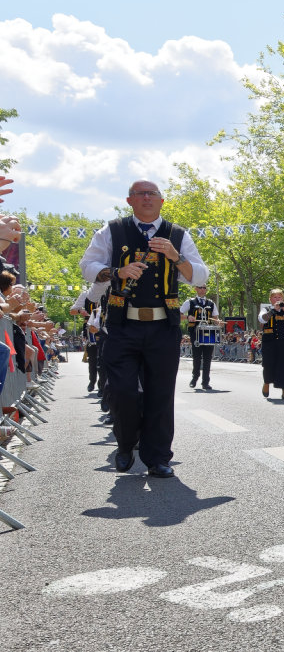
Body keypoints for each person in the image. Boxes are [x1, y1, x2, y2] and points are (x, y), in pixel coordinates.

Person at [80, 180, 208, 478]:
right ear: (129, 200)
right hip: (122, 326)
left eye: (153, 194)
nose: (147, 198)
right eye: (141, 194)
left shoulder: (178, 234)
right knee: (123, 391)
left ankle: (158, 458)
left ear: (162, 201)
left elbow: (200, 274)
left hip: (163, 326)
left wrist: (176, 257)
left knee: (160, 394)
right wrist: (116, 272)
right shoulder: (112, 230)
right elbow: (87, 265)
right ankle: (126, 444)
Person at [259, 290, 284, 399]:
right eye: (275, 297)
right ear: (270, 299)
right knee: (268, 364)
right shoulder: (266, 309)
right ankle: (267, 383)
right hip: (270, 342)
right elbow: (262, 319)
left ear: (283, 299)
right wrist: (273, 310)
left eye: (279, 297)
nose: (277, 299)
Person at [181, 284, 219, 390]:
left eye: (204, 288)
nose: (203, 290)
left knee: (208, 358)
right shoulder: (190, 302)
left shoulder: (211, 303)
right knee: (197, 357)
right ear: (196, 289)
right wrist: (188, 317)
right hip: (195, 333)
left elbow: (215, 318)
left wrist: (218, 322)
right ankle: (195, 377)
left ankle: (205, 382)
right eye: (200, 287)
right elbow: (178, 314)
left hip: (208, 333)